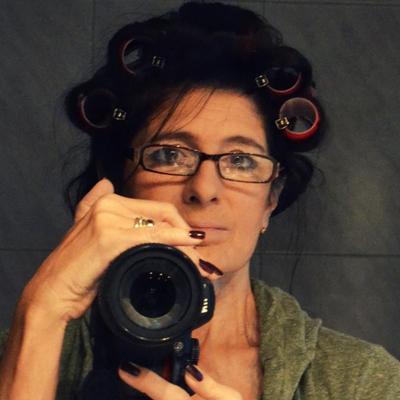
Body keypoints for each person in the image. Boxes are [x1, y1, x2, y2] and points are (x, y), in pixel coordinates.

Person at [0, 2, 399, 399]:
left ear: (270, 200)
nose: (204, 189)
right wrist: (40, 314)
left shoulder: (365, 382)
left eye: (241, 161)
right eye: (169, 154)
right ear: (118, 183)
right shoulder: (24, 347)